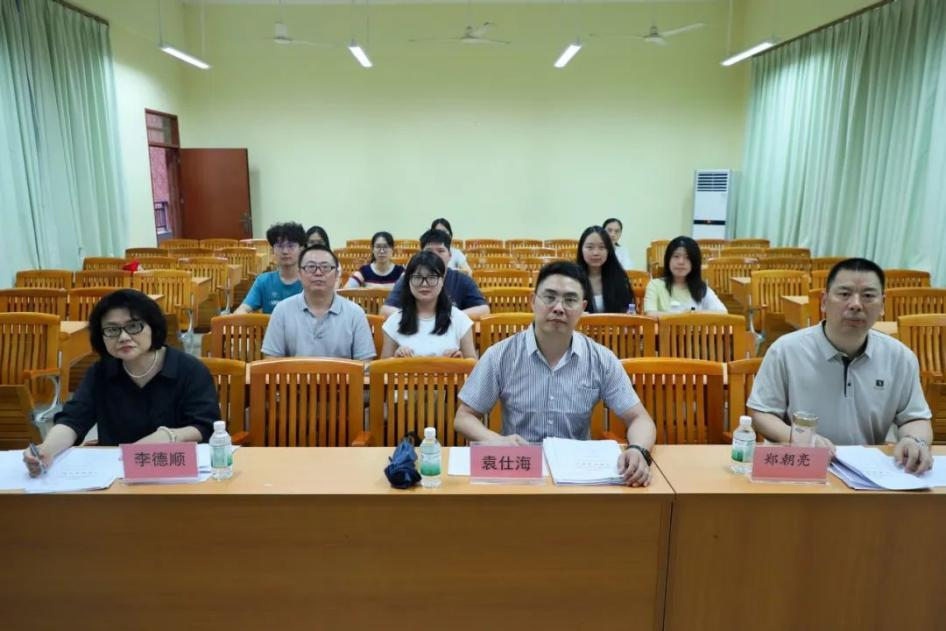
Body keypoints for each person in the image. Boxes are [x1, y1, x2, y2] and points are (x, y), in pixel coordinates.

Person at [453, 261, 657, 487]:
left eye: (570, 300)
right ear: (533, 301)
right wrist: (496, 441)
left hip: (578, 478)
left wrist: (638, 450)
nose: (559, 308)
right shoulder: (500, 355)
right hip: (520, 471)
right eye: (549, 297)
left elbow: (640, 418)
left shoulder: (601, 359)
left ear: (583, 307)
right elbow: (464, 417)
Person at [747, 258, 933, 473]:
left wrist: (914, 440)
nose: (856, 304)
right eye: (844, 294)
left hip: (867, 473)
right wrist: (799, 439)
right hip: (800, 465)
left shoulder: (900, 357)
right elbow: (762, 413)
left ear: (882, 305)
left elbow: (915, 417)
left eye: (868, 296)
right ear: (824, 301)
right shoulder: (786, 350)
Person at [23, 289, 218, 476]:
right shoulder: (100, 372)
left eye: (133, 326)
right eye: (112, 330)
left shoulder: (189, 369)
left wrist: (169, 436)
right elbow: (72, 421)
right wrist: (47, 449)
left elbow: (205, 425)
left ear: (153, 327)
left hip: (176, 471)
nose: (123, 337)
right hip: (117, 473)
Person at [261, 244, 375, 360]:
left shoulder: (355, 314)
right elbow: (271, 360)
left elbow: (364, 364)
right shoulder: (282, 310)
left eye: (325, 267)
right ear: (299, 274)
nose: (318, 273)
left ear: (336, 275)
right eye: (311, 267)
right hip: (294, 373)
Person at [381, 251, 476, 359]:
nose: (424, 284)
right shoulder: (394, 321)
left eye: (431, 277)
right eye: (417, 277)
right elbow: (383, 366)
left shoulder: (460, 319)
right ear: (408, 281)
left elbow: (473, 364)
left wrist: (460, 362)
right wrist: (394, 360)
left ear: (442, 281)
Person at [381, 229, 490, 320]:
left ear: (450, 255)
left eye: (440, 251)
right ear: (421, 254)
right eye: (429, 251)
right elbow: (386, 310)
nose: (435, 255)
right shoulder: (409, 278)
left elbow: (484, 309)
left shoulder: (463, 280)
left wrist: (448, 317)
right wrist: (421, 319)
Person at [643, 236, 727, 315]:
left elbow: (722, 312)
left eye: (687, 257)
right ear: (668, 260)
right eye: (676, 256)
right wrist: (683, 317)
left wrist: (693, 315)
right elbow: (650, 314)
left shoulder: (701, 288)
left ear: (694, 263)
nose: (681, 262)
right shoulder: (655, 285)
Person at [234, 222, 306, 314]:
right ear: (272, 251)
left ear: (301, 250)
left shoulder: (309, 280)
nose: (285, 251)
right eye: (280, 246)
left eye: (291, 246)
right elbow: (244, 308)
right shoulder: (264, 281)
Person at [576, 225, 635, 314]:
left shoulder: (619, 276)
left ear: (609, 250)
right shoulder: (572, 278)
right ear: (581, 249)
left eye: (602, 247)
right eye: (590, 247)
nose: (596, 253)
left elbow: (627, 310)